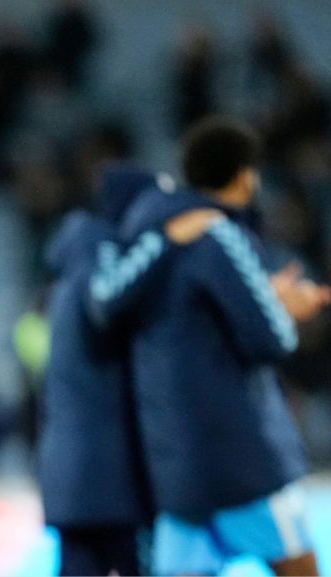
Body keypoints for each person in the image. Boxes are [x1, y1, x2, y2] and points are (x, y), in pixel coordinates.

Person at [104, 116, 329, 576]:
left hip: (177, 466)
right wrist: (285, 306)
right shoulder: (220, 233)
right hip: (241, 460)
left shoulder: (153, 237)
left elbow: (118, 305)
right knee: (300, 568)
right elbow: (271, 339)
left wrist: (258, 293)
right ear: (245, 175)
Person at [38, 165, 221, 576]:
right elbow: (107, 303)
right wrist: (166, 240)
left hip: (74, 470)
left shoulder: (73, 264)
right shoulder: (100, 248)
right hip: (111, 473)